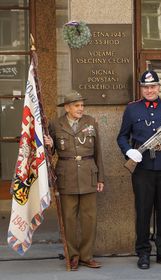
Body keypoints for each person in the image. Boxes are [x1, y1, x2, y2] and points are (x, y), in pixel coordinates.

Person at [117, 70, 161, 269]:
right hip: (143, 169)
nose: (149, 90)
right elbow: (122, 136)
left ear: (159, 87)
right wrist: (129, 151)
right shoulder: (132, 110)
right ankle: (143, 253)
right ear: (141, 88)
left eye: (153, 86)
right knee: (143, 211)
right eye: (146, 87)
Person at [44, 90, 104, 271]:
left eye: (82, 105)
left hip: (88, 174)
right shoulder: (55, 124)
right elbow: (51, 153)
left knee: (89, 219)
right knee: (69, 219)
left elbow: (98, 152)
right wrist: (50, 144)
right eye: (77, 106)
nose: (81, 108)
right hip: (66, 176)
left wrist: (100, 177)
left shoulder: (90, 122)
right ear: (67, 107)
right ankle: (73, 256)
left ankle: (86, 256)